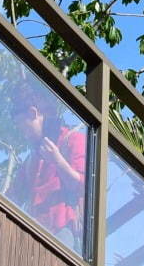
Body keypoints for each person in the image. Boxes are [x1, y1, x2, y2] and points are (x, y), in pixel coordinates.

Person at [12, 101, 88, 248]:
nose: (22, 131)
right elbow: (13, 195)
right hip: (33, 232)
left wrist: (57, 160)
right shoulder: (32, 158)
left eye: (21, 124)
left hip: (61, 230)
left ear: (33, 113)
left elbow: (82, 186)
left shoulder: (73, 140)